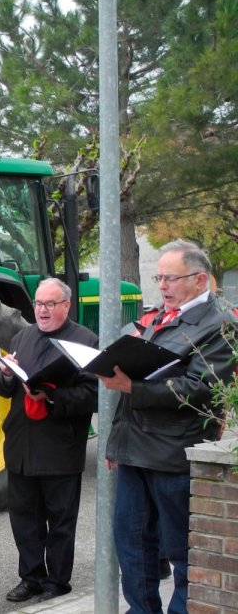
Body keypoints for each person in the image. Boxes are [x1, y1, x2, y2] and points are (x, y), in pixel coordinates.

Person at [102, 240, 237, 614]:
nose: (161, 285)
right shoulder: (160, 317)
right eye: (158, 277)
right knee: (132, 545)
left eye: (170, 278)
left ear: (200, 279)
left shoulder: (221, 324)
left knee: (181, 550)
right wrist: (117, 443)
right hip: (135, 450)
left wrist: (133, 387)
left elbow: (201, 388)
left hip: (173, 454)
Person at [0, 278, 98, 603]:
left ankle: (57, 581)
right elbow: (4, 389)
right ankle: (31, 577)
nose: (42, 310)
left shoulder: (85, 341)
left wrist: (51, 396)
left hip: (60, 447)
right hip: (22, 446)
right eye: (38, 303)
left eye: (50, 304)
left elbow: (92, 394)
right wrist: (6, 375)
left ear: (66, 305)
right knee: (24, 519)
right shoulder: (22, 336)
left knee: (60, 521)